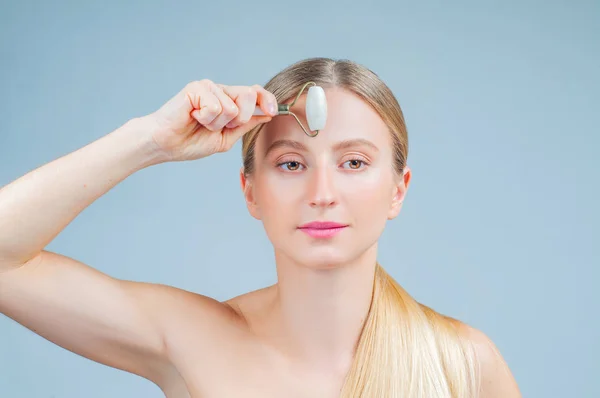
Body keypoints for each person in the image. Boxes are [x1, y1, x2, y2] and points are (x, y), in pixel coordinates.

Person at [0, 57, 521, 397]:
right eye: (291, 164)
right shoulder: (192, 340)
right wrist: (149, 140)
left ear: (398, 189)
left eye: (354, 162)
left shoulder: (464, 365)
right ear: (250, 190)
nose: (322, 192)